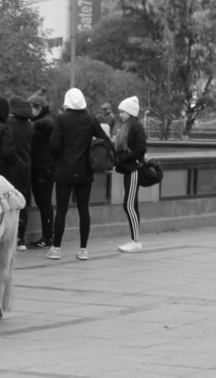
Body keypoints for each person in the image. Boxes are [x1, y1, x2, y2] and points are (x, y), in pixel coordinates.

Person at [47, 88, 111, 261]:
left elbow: (54, 145)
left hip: (64, 170)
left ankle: (56, 248)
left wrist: (57, 159)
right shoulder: (91, 120)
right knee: (84, 209)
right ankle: (83, 249)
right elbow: (105, 139)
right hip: (84, 171)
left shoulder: (61, 119)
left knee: (61, 210)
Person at [113, 95, 148, 253]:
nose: (120, 115)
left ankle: (136, 240)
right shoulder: (128, 127)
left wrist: (123, 159)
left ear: (130, 112)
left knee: (129, 204)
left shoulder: (136, 127)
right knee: (130, 204)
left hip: (134, 170)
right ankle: (135, 239)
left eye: (122, 112)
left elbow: (141, 149)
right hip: (129, 170)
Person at [27, 89, 55, 248]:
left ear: (37, 107)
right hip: (42, 167)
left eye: (30, 107)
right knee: (43, 202)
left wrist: (29, 123)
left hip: (43, 167)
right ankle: (47, 236)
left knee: (44, 202)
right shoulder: (44, 119)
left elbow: (48, 123)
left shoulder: (46, 120)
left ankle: (48, 237)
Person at [6, 96, 34, 250]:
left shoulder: (7, 124)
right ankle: (21, 239)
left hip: (10, 169)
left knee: (9, 204)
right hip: (26, 168)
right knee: (22, 204)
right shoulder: (31, 126)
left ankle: (10, 238)